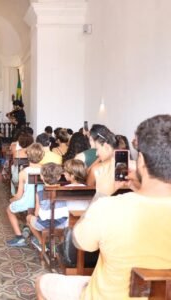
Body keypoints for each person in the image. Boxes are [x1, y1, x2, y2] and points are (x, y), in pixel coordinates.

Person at [36, 115, 171, 299]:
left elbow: (79, 242)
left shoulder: (109, 207)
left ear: (140, 161)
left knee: (43, 282)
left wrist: (101, 195)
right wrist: (138, 187)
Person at [6, 143, 44, 247]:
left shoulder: (23, 172)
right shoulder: (45, 170)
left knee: (9, 210)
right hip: (42, 203)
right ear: (42, 156)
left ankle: (19, 237)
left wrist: (11, 200)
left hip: (28, 202)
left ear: (27, 156)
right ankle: (31, 230)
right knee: (30, 213)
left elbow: (18, 195)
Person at [26, 163, 69, 250]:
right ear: (59, 177)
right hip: (62, 223)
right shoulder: (64, 191)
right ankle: (61, 245)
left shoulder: (40, 194)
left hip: (44, 224)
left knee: (28, 218)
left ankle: (41, 242)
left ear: (41, 177)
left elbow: (37, 213)